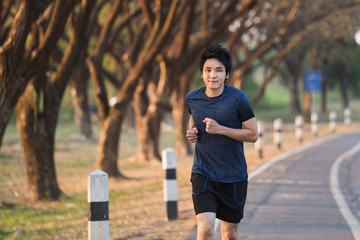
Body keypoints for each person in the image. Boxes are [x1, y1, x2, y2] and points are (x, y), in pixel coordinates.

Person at [185, 44, 258, 240]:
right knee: (206, 229)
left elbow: (253, 134)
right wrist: (192, 131)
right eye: (208, 70)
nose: (213, 75)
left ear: (226, 74)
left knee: (229, 233)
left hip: (233, 176)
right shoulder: (192, 99)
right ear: (202, 73)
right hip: (203, 172)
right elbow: (194, 118)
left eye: (218, 70)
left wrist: (221, 130)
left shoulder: (238, 99)